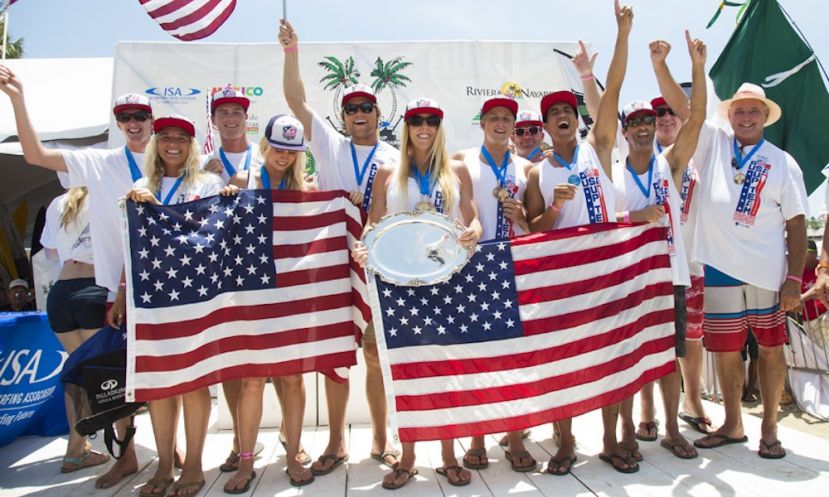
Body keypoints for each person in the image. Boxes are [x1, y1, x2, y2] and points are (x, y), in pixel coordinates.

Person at [0, 63, 144, 488]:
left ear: (152, 123)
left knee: (91, 372)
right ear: (117, 125)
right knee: (110, 372)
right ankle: (127, 455)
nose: (133, 124)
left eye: (140, 117)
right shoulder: (99, 162)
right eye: (125, 118)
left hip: (107, 289)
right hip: (104, 290)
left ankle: (81, 450)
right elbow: (34, 156)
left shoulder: (169, 159)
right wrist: (18, 98)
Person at [279, 18, 402, 474]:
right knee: (333, 357)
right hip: (330, 264)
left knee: (374, 354)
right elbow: (296, 100)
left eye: (366, 107)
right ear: (343, 116)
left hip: (379, 267)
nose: (358, 114)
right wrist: (292, 52)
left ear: (378, 114)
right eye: (351, 108)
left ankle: (380, 438)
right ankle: (335, 442)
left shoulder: (395, 155)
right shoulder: (329, 145)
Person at [352, 97, 482, 489]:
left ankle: (447, 454)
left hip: (447, 279)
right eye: (416, 120)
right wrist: (361, 247)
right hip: (399, 284)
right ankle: (407, 456)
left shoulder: (457, 169)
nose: (424, 126)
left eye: (432, 120)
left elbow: (473, 217)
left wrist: (474, 231)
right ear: (406, 125)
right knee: (404, 373)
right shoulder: (387, 173)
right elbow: (372, 225)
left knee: (445, 369)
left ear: (440, 126)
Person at [524, 0, 631, 474]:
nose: (562, 116)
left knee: (614, 353)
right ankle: (565, 442)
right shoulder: (536, 173)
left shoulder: (597, 150)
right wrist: (556, 207)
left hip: (608, 267)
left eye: (568, 110)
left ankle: (610, 438)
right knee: (559, 359)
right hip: (562, 276)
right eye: (554, 114)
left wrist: (617, 41)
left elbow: (611, 100)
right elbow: (533, 229)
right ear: (545, 127)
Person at [689, 83, 806, 460]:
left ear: (765, 117)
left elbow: (797, 224)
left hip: (767, 273)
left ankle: (770, 428)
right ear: (729, 117)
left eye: (754, 110)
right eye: (739, 111)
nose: (746, 117)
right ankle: (733, 423)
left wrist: (793, 278)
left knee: (770, 349)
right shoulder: (716, 145)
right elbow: (684, 108)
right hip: (720, 268)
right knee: (726, 351)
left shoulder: (783, 162)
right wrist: (679, 66)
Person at [612, 30, 707, 462]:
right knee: (629, 357)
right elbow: (604, 224)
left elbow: (699, 118)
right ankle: (629, 430)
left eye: (649, 120)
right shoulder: (610, 172)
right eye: (636, 122)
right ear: (625, 130)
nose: (645, 126)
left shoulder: (670, 164)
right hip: (629, 278)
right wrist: (636, 217)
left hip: (671, 273)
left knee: (671, 356)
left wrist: (697, 69)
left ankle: (671, 429)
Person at [123, 114, 224, 497]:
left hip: (195, 296)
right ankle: (164, 466)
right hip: (150, 298)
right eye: (165, 137)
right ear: (155, 142)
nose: (173, 144)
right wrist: (120, 292)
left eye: (181, 138)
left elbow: (218, 235)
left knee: (193, 381)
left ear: (192, 145)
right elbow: (129, 246)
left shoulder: (208, 183)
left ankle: (194, 465)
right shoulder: (139, 185)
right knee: (159, 384)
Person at [220, 114, 315, 490]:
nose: (283, 156)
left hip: (292, 294)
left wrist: (351, 201)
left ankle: (293, 454)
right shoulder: (243, 180)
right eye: (277, 147)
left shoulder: (307, 188)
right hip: (252, 293)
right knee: (252, 380)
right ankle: (246, 462)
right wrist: (226, 198)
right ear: (265, 145)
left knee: (293, 377)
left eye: (291, 151)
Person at [452, 93, 535, 473]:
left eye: (507, 118)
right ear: (482, 123)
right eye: (493, 117)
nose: (501, 123)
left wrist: (523, 217)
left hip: (515, 268)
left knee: (514, 357)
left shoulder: (527, 168)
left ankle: (515, 435)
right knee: (475, 356)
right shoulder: (460, 162)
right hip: (473, 267)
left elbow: (535, 226)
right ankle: (476, 437)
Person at [647, 39, 713, 439]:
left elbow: (699, 115)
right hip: (651, 263)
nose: (666, 117)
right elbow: (602, 104)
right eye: (658, 113)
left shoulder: (698, 149)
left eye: (672, 111)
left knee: (693, 336)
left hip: (689, 260)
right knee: (652, 339)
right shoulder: (636, 152)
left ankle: (693, 398)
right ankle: (651, 410)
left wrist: (696, 67)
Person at [39, 187, 110, 473]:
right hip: (93, 288)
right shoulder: (107, 194)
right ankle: (82, 448)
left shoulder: (57, 202)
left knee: (78, 373)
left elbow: (50, 251)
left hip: (60, 292)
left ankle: (76, 450)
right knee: (107, 373)